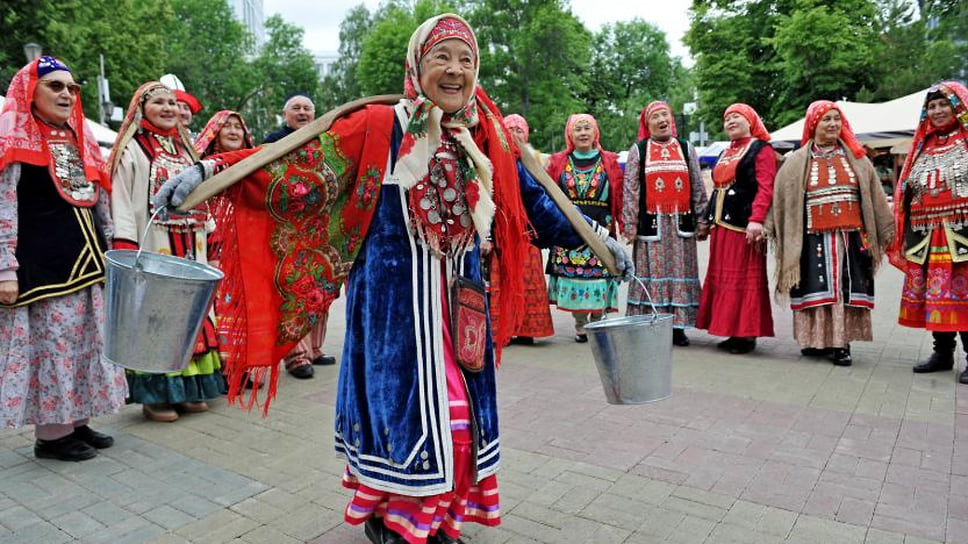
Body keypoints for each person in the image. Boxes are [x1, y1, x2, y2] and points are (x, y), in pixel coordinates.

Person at [152, 14, 632, 544]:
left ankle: (440, 521)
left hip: (461, 309)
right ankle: (396, 520)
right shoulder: (378, 126)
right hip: (393, 316)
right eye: (441, 58)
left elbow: (539, 203)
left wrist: (598, 242)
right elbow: (293, 165)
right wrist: (208, 173)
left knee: (461, 424)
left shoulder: (487, 137)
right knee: (407, 422)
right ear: (416, 65)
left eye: (466, 61)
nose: (455, 71)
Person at [0, 57, 127, 461]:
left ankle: (77, 422)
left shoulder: (75, 139)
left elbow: (94, 200)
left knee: (86, 344)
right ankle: (51, 436)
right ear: (29, 92)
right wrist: (4, 269)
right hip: (43, 268)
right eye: (55, 86)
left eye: (72, 88)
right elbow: (2, 207)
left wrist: (111, 252)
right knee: (53, 349)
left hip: (86, 263)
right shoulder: (14, 140)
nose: (66, 94)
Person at [108, 81, 224, 422]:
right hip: (156, 243)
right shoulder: (133, 150)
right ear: (141, 109)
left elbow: (206, 194)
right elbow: (122, 197)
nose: (168, 108)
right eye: (159, 102)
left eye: (173, 102)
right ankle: (156, 396)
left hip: (191, 245)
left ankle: (190, 389)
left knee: (191, 315)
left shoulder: (186, 150)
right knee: (156, 316)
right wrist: (126, 244)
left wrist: (212, 234)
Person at [767, 101, 894, 366]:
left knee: (842, 289)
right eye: (826, 119)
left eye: (837, 118)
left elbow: (875, 197)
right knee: (815, 288)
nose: (833, 124)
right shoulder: (795, 162)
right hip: (810, 238)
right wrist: (767, 226)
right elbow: (781, 200)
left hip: (851, 238)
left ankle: (841, 344)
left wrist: (887, 228)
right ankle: (816, 341)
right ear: (813, 124)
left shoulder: (858, 159)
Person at [891, 81, 968, 384]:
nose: (936, 111)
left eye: (943, 105)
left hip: (962, 233)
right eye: (931, 106)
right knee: (937, 297)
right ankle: (942, 353)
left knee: (964, 296)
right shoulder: (922, 146)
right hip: (927, 235)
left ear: (958, 107)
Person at [261, 92, 335, 378]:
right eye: (296, 108)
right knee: (294, 290)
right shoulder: (273, 141)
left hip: (319, 225)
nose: (302, 112)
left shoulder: (324, 140)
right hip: (287, 227)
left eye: (307, 108)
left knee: (322, 287)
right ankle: (296, 356)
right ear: (285, 114)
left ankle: (315, 349)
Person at [622, 101, 708, 346]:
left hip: (681, 226)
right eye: (656, 117)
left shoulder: (686, 148)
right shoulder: (639, 150)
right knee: (653, 273)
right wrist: (630, 224)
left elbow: (697, 184)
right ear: (647, 124)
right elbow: (631, 189)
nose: (662, 120)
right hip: (653, 225)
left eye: (665, 116)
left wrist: (702, 218)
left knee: (681, 272)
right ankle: (652, 326)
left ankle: (678, 328)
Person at [696, 103, 776, 354]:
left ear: (750, 120)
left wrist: (757, 219)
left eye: (736, 117)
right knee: (723, 278)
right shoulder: (727, 151)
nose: (730, 121)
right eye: (727, 118)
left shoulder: (760, 149)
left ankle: (746, 334)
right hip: (722, 226)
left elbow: (766, 187)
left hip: (744, 226)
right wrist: (706, 220)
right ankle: (732, 330)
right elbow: (717, 189)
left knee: (743, 278)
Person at [545, 113, 624, 342]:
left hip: (601, 223)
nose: (583, 133)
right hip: (569, 224)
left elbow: (618, 193)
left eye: (587, 128)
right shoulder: (558, 161)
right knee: (575, 276)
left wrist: (623, 221)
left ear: (595, 133)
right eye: (577, 129)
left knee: (600, 272)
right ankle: (580, 323)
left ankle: (597, 319)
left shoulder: (609, 160)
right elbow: (548, 193)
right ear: (570, 134)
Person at [488, 113, 555, 345]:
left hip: (528, 231)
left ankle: (527, 329)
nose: (515, 134)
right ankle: (504, 329)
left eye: (519, 130)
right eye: (510, 129)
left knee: (527, 279)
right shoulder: (491, 158)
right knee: (502, 278)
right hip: (502, 228)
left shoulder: (537, 161)